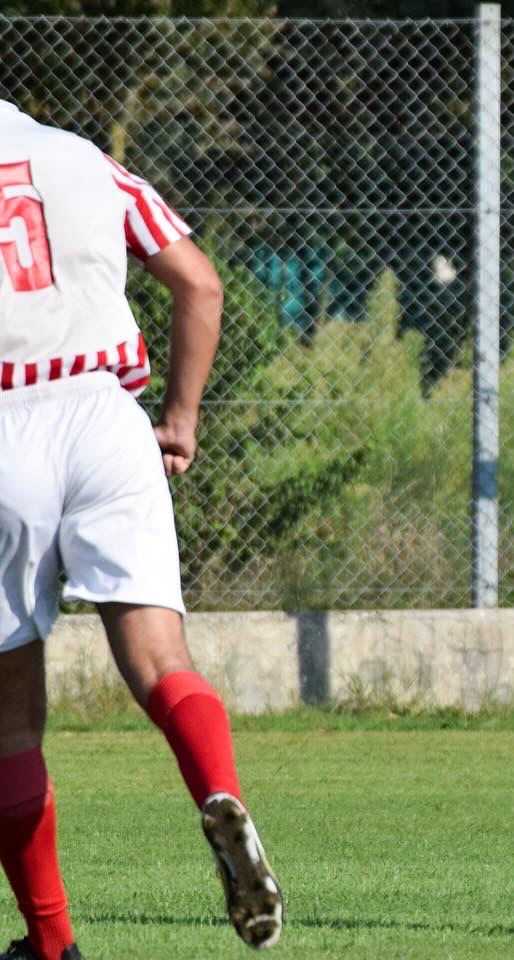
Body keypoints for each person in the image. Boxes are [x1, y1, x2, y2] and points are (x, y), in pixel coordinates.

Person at [0, 99, 282, 958]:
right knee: (162, 662)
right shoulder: (81, 156)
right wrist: (181, 419)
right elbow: (199, 283)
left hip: (5, 429)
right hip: (107, 417)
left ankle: (52, 944)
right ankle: (220, 793)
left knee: (10, 719)